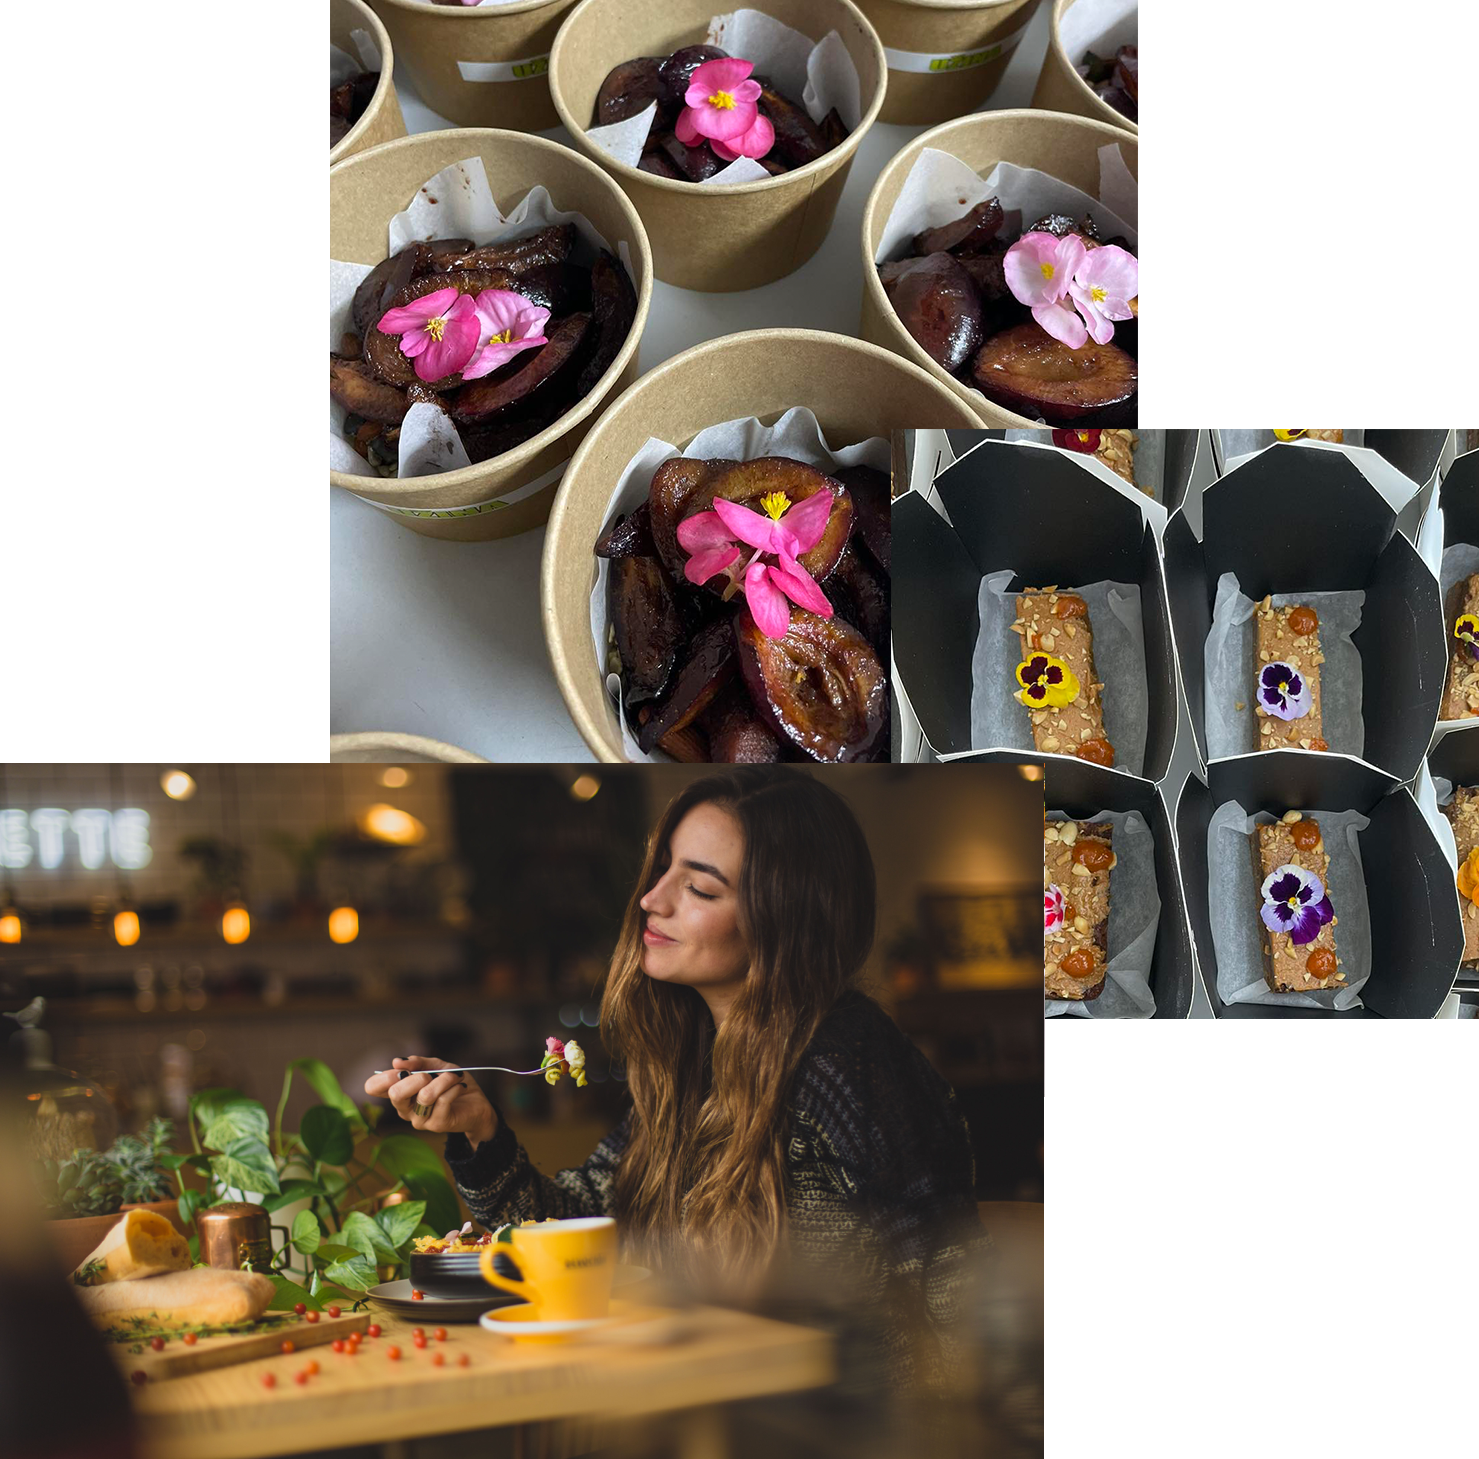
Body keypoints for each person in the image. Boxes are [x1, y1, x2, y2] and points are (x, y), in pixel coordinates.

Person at [364, 768, 988, 1391]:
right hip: (712, 1404)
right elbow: (579, 1229)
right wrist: (481, 1130)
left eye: (700, 889)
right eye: (662, 869)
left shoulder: (845, 1057)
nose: (651, 899)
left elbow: (950, 1279)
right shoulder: (695, 1065)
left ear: (785, 919)